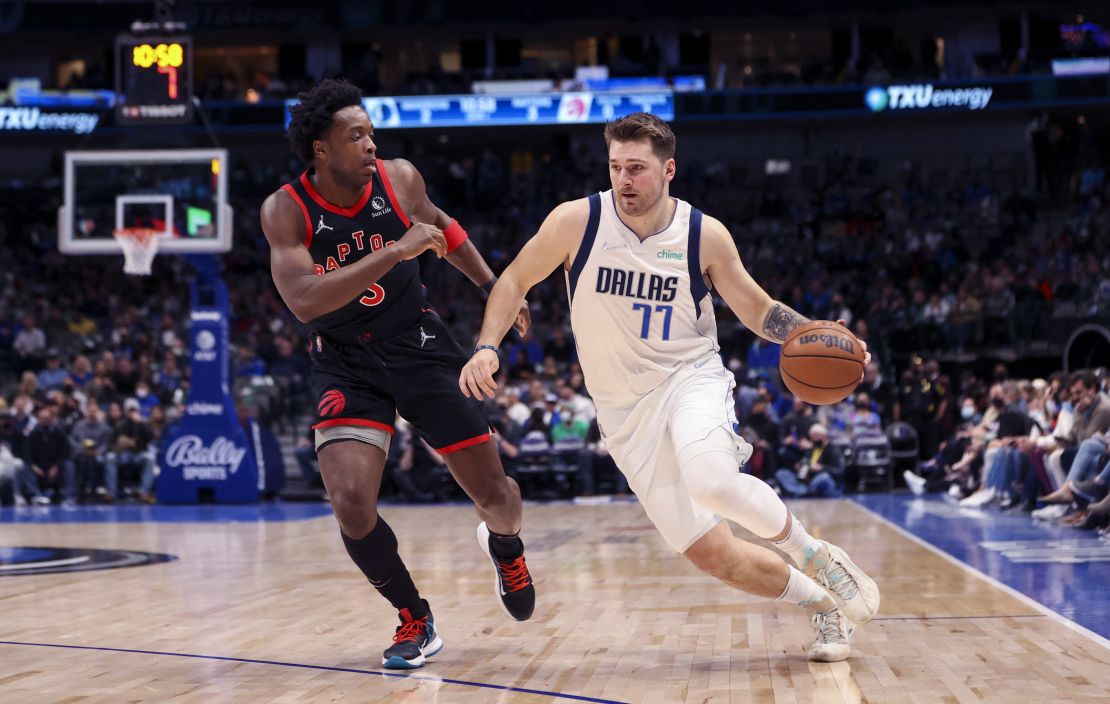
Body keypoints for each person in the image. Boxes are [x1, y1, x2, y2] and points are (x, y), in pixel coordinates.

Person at [460, 113, 880, 662]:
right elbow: (513, 279)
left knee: (711, 481)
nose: (624, 180)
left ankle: (817, 555)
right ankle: (823, 607)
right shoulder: (576, 222)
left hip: (690, 379)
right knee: (714, 555)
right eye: (615, 167)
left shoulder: (702, 233)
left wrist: (821, 336)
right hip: (623, 413)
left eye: (636, 168)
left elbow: (757, 310)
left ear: (668, 169)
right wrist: (488, 345)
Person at [259, 78, 535, 669]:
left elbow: (443, 227)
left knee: (497, 495)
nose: (369, 144)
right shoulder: (285, 209)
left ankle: (505, 544)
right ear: (321, 149)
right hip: (343, 358)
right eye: (355, 135)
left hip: (420, 343)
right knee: (351, 502)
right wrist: (394, 252)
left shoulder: (399, 178)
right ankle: (415, 617)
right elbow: (306, 299)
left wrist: (493, 287)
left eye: (371, 133)